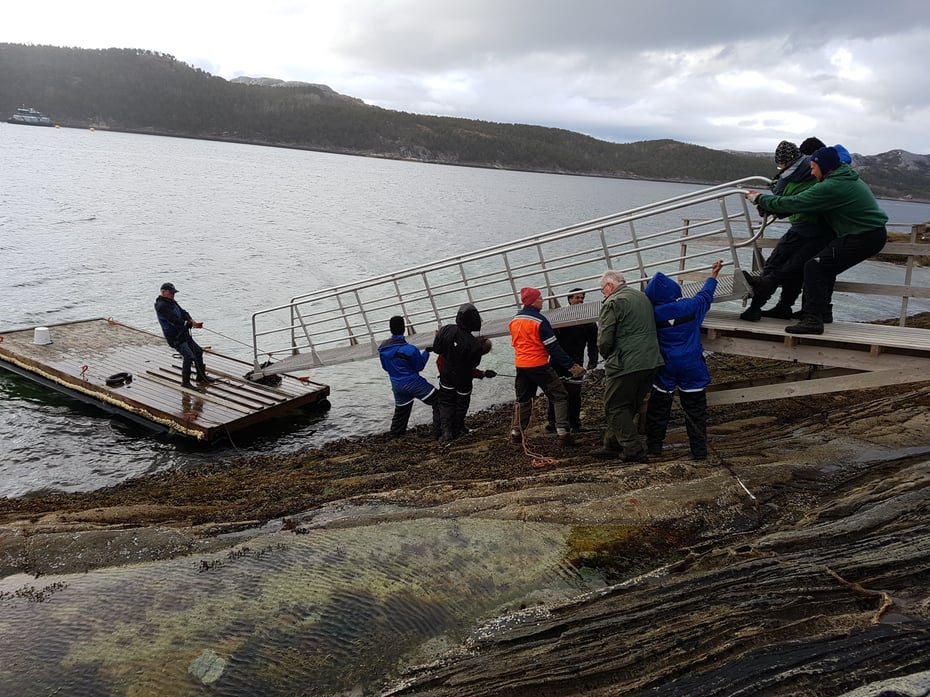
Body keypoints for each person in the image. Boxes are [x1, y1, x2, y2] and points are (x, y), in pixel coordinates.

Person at [746, 146, 888, 335]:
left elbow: (796, 202)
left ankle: (812, 320)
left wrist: (759, 199)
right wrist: (773, 206)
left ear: (825, 166)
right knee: (823, 266)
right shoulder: (842, 178)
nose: (811, 171)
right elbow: (804, 204)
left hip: (864, 236)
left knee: (815, 266)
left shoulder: (833, 186)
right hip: (864, 234)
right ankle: (822, 312)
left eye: (813, 167)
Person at [739, 141, 834, 322]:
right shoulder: (821, 180)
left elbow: (787, 204)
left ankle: (755, 308)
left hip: (805, 228)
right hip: (822, 231)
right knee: (796, 270)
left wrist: (762, 201)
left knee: (774, 264)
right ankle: (787, 307)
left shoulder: (795, 180)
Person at [644, 261, 722, 461]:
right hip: (692, 366)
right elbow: (705, 295)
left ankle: (654, 446)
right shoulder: (690, 306)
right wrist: (713, 275)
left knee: (658, 409)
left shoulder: (650, 314)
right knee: (695, 410)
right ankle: (699, 451)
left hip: (666, 367)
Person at [594, 270, 663, 462]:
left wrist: (606, 355)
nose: (604, 294)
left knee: (614, 405)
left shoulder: (613, 302)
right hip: (651, 360)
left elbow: (605, 339)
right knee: (630, 404)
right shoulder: (642, 297)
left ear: (609, 286)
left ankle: (633, 449)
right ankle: (612, 443)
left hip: (626, 362)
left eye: (602, 290)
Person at [509, 287, 586, 446]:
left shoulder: (515, 320)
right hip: (539, 366)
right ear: (532, 301)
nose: (542, 301)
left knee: (523, 399)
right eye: (539, 299)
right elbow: (553, 348)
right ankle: (563, 432)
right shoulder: (539, 321)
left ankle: (516, 432)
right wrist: (572, 366)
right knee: (560, 396)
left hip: (521, 366)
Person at [432, 303, 496, 441]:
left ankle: (446, 431)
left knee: (445, 402)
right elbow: (472, 364)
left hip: (447, 374)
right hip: (464, 378)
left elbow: (437, 349)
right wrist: (483, 373)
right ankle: (458, 428)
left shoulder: (446, 330)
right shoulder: (474, 345)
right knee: (462, 403)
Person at [546, 288, 599, 433]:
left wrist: (593, 360)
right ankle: (552, 422)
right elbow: (551, 343)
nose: (580, 300)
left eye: (582, 298)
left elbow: (593, 343)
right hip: (558, 361)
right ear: (569, 300)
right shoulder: (560, 318)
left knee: (574, 395)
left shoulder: (588, 321)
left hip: (577, 361)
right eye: (577, 298)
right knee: (556, 394)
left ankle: (575, 424)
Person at [378, 315, 439, 438]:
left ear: (390, 329)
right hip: (413, 383)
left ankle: (395, 435)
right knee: (439, 401)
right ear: (404, 329)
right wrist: (426, 352)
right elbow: (419, 366)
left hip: (396, 384)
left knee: (401, 412)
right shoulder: (410, 349)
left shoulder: (382, 348)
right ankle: (439, 431)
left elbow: (385, 367)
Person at [154, 282, 217, 387]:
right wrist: (186, 323)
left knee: (198, 351)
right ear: (163, 292)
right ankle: (185, 382)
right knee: (188, 356)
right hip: (174, 337)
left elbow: (183, 312)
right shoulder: (161, 306)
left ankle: (201, 376)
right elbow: (173, 320)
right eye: (171, 293)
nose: (173, 295)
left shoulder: (171, 302)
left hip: (183, 333)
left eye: (174, 293)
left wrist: (192, 321)